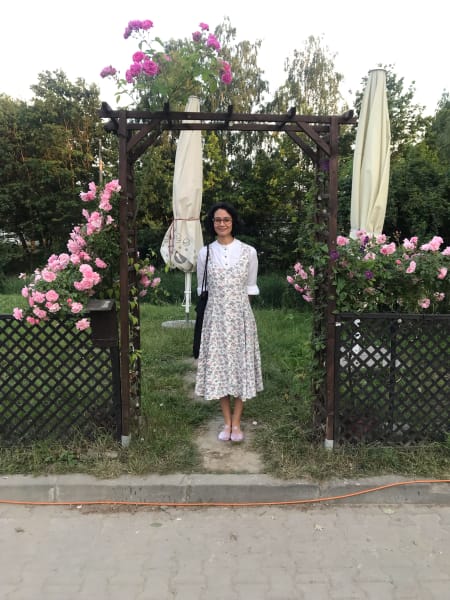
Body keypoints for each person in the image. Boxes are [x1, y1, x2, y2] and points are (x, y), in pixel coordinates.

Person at [194, 202, 263, 442]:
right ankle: (226, 422)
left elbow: (250, 288)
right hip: (215, 319)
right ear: (212, 223)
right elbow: (203, 289)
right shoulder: (205, 253)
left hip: (241, 318)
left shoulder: (249, 252)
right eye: (217, 220)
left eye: (226, 219)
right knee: (219, 368)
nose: (221, 223)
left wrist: (241, 318)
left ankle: (237, 422)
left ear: (233, 222)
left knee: (241, 366)